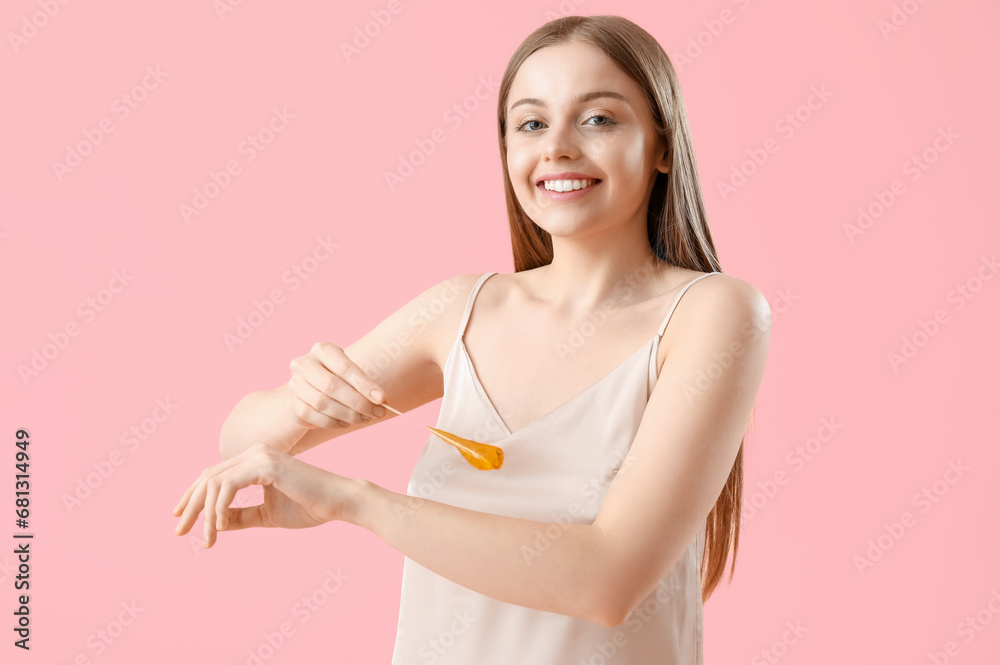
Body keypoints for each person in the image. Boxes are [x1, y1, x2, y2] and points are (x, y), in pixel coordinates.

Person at [173, 14, 770, 663]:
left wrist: (354, 500)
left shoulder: (713, 312)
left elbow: (605, 578)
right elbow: (243, 445)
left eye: (598, 119)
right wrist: (301, 401)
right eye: (532, 123)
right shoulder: (460, 310)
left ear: (662, 144)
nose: (559, 147)